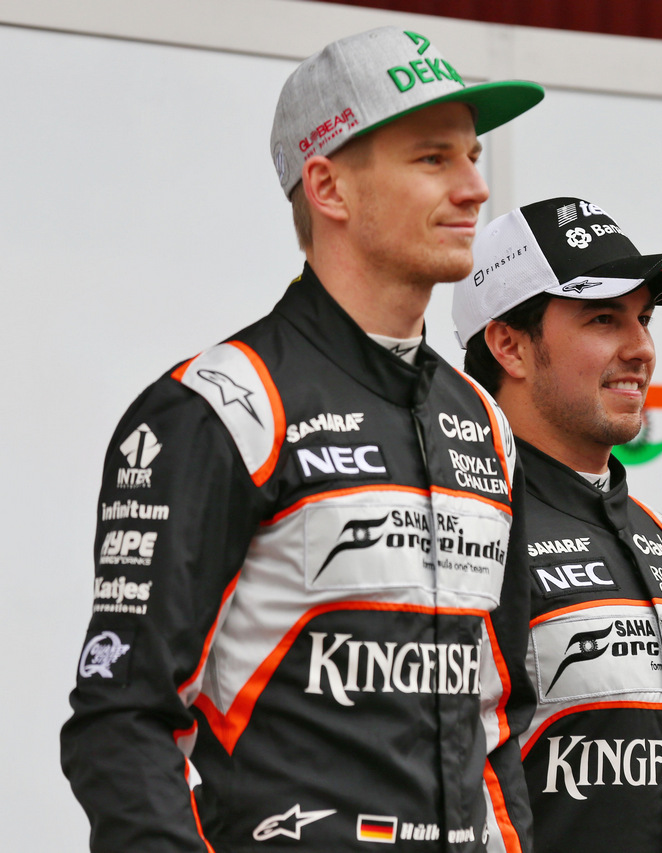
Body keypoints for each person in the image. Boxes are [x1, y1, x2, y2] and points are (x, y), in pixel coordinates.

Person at [61, 27, 544, 852]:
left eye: (473, 156)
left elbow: (497, 722)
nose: (475, 189)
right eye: (434, 158)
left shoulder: (485, 425)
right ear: (329, 186)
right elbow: (124, 717)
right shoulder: (224, 403)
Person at [452, 197, 662, 853]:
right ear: (509, 344)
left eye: (643, 318)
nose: (641, 347)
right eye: (604, 318)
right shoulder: (465, 530)